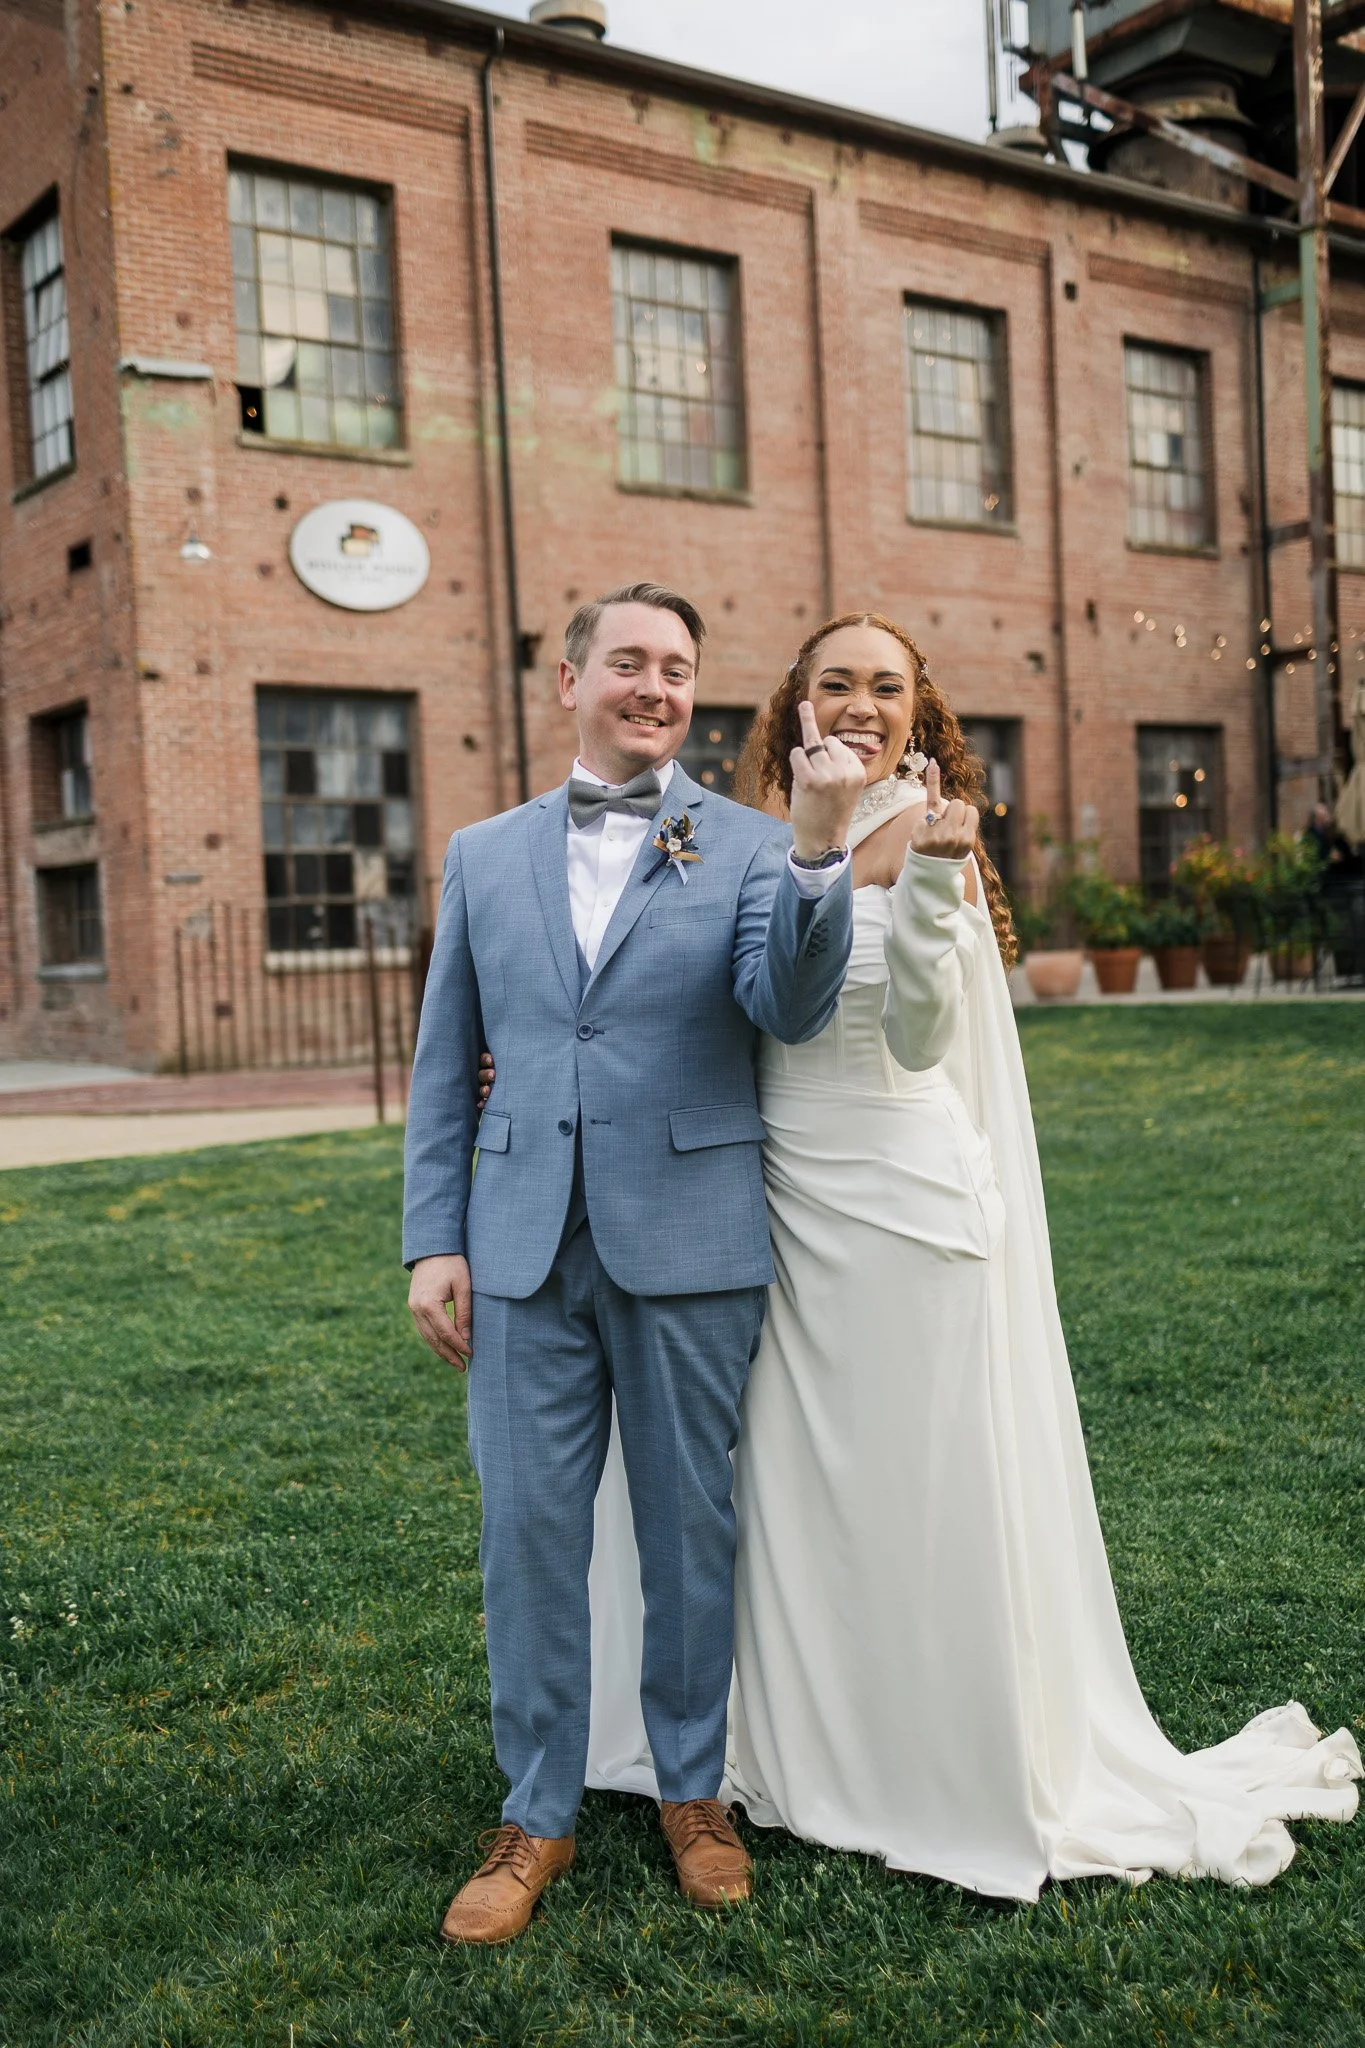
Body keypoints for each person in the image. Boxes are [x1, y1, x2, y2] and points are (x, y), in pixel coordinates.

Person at [585, 610, 1361, 1899]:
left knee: (916, 1483)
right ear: (793, 703)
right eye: (836, 681)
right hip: (771, 1202)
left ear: (915, 706)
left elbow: (919, 1036)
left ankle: (933, 1760)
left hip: (897, 1195)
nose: (862, 704)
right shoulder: (732, 839)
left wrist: (940, 878)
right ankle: (797, 1742)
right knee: (790, 1493)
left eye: (887, 686)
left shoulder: (935, 827)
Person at [403, 582, 865, 1942]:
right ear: (569, 680)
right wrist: (436, 1237)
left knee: (687, 1528)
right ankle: (535, 1811)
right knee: (528, 1536)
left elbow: (788, 1001)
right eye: (629, 663)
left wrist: (821, 856)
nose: (656, 686)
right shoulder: (481, 854)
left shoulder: (746, 843)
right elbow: (444, 1066)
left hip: (692, 1238)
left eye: (677, 667)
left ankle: (690, 1792)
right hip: (519, 1243)